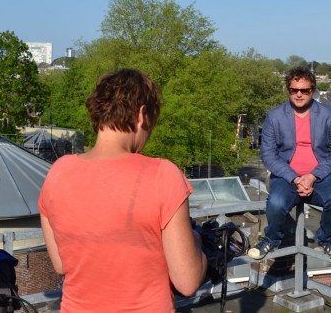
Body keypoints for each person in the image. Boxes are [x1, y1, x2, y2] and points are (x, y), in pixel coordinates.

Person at [39, 69, 207, 312]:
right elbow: (187, 282)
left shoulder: (58, 172)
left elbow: (60, 264)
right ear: (141, 115)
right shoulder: (163, 174)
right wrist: (198, 244)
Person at [248, 67, 331, 264]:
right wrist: (295, 178)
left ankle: (327, 240)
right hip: (287, 178)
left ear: (313, 90)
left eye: (304, 90)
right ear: (288, 90)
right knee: (276, 204)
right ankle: (271, 238)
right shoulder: (274, 116)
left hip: (321, 178)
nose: (299, 94)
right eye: (294, 90)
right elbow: (268, 154)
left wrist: (312, 177)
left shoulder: (328, 115)